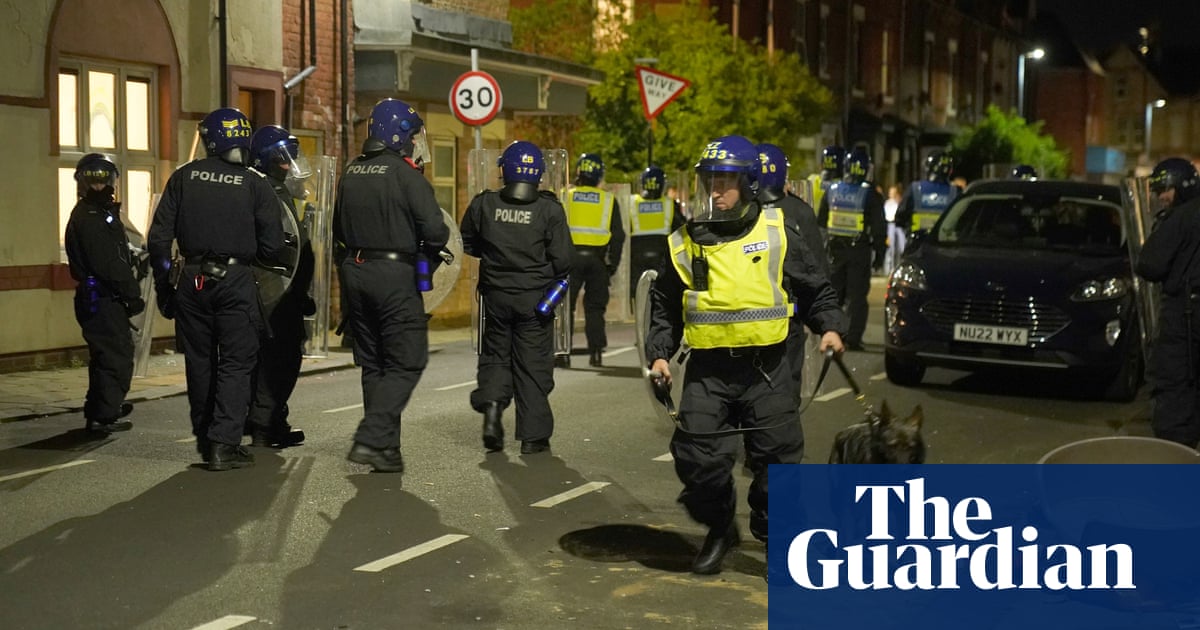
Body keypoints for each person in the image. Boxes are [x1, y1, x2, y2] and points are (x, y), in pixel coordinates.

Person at [646, 135, 847, 575]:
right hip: (708, 369)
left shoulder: (778, 233)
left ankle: (777, 539)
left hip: (768, 369)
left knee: (778, 461)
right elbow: (663, 303)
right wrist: (659, 355)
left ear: (750, 183)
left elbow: (817, 290)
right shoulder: (685, 242)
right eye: (709, 180)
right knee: (696, 455)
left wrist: (829, 326)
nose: (715, 189)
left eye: (726, 180)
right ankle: (720, 527)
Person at [148, 107, 283, 471]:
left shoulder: (182, 177)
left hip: (192, 280)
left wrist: (166, 288)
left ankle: (206, 440)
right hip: (236, 280)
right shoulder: (255, 183)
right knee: (237, 363)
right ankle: (225, 442)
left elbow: (158, 241)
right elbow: (273, 249)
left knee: (199, 361)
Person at [333, 98, 450, 473]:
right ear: (398, 134)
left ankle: (386, 450)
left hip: (356, 270)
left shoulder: (351, 172)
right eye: (414, 136)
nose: (417, 143)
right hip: (394, 276)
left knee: (373, 363)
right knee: (406, 359)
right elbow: (435, 230)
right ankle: (371, 439)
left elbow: (338, 231)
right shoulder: (405, 175)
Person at [461, 141, 573, 455]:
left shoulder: (484, 204)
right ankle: (534, 438)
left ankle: (494, 407)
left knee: (496, 356)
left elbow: (467, 242)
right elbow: (564, 260)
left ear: (504, 170)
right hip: (535, 303)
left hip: (496, 297)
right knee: (533, 367)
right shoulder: (549, 209)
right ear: (538, 173)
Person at [64, 153, 144, 434]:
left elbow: (118, 254)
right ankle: (104, 413)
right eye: (93, 182)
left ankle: (103, 406)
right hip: (103, 296)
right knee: (116, 355)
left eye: (104, 181)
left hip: (101, 295)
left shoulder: (99, 214)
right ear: (83, 184)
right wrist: (132, 293)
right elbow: (108, 264)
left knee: (106, 354)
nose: (100, 188)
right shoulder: (91, 217)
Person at [245, 124, 314, 448]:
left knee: (278, 358)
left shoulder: (279, 191)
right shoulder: (266, 192)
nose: (291, 166)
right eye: (283, 159)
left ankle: (272, 418)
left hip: (287, 291)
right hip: (275, 292)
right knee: (279, 359)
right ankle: (265, 421)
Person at [756, 143, 830, 405]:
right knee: (785, 396)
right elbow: (817, 272)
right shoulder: (800, 212)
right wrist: (826, 323)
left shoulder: (739, 211)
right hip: (787, 322)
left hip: (743, 322)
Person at [1136, 157, 1200, 447]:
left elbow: (1149, 264)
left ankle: (1177, 482)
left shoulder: (1181, 217)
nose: (1162, 196)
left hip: (1184, 323)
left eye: (1166, 189)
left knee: (1175, 401)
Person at [817, 147, 886, 351]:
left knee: (834, 293)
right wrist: (880, 254)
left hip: (834, 249)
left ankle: (832, 332)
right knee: (857, 297)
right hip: (859, 251)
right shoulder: (870, 193)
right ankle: (853, 338)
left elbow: (821, 222)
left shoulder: (832, 189)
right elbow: (879, 228)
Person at [564, 153, 625, 367]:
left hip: (569, 259)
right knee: (595, 308)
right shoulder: (608, 200)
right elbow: (618, 235)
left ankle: (563, 352)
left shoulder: (566, 196)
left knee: (565, 306)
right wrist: (612, 265)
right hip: (597, 261)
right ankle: (596, 351)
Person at [628, 165, 684, 306]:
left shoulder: (632, 202)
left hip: (637, 254)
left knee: (639, 296)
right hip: (662, 254)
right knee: (663, 294)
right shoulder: (669, 204)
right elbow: (682, 230)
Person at [895, 149, 961, 238]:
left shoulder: (915, 188)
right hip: (945, 244)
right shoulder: (956, 192)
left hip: (917, 243)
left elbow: (900, 217)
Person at [883, 184, 904, 274]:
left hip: (897, 225)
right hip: (890, 225)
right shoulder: (887, 203)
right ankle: (889, 269)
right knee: (890, 247)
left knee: (901, 246)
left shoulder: (899, 203)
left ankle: (899, 266)